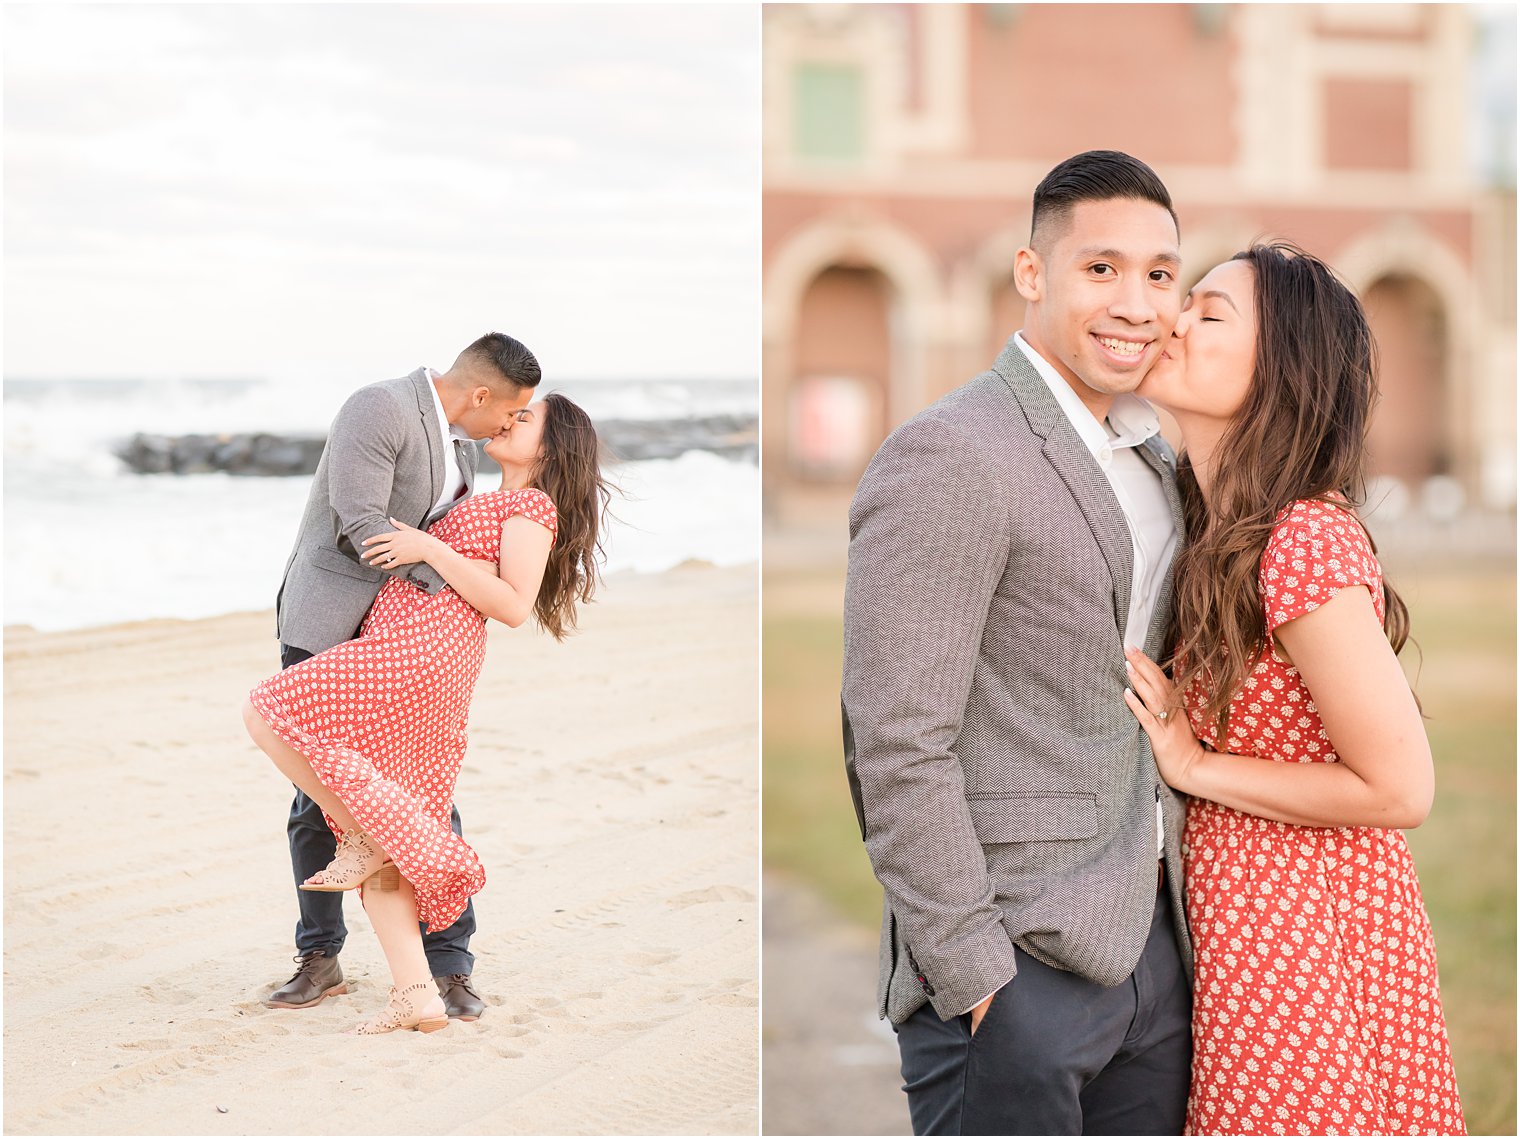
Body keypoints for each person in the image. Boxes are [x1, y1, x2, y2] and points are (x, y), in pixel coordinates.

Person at [842, 150, 1193, 1135]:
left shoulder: (1156, 453)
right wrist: (976, 976)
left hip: (1153, 955)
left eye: (1160, 275)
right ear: (1029, 274)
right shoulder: (952, 452)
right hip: (1014, 972)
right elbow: (893, 740)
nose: (1136, 302)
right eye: (1100, 268)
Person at [1123, 242, 1465, 1135]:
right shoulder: (1210, 528)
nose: (1173, 318)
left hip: (1307, 938)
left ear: (1280, 369)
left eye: (1209, 313)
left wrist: (1196, 764)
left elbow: (1400, 787)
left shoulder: (1300, 539)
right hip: (1248, 930)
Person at [244, 390, 610, 1034]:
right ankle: (416, 995)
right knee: (395, 822)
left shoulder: (531, 505)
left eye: (525, 420)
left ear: (550, 448)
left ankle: (368, 837)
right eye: (512, 411)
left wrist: (434, 550)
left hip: (422, 654)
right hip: (401, 645)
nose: (508, 421)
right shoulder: (471, 490)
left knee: (271, 707)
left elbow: (514, 603)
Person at [260, 333, 538, 1019]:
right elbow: (362, 527)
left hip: (399, 638)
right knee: (315, 801)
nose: (506, 427)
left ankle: (448, 965)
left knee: (426, 791)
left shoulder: (466, 448)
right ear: (480, 395)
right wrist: (452, 577)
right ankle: (320, 955)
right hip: (329, 624)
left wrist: (452, 578)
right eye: (507, 413)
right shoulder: (377, 407)